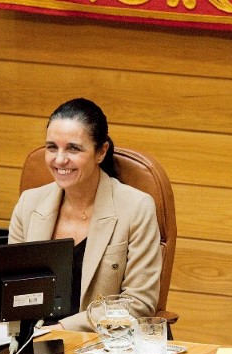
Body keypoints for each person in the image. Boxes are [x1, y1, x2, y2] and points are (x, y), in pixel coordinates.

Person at [8, 98, 162, 331]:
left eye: (73, 148)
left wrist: (60, 330)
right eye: (52, 147)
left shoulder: (136, 208)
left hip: (105, 344)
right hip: (34, 343)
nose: (59, 159)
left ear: (101, 152)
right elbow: (11, 290)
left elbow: (138, 303)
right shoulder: (29, 204)